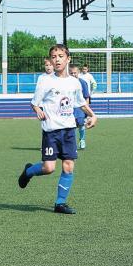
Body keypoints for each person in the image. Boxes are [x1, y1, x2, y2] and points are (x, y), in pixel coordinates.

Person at [18, 44, 97, 215]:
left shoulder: (74, 82)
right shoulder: (45, 80)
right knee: (49, 168)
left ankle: (60, 203)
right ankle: (29, 171)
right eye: (54, 57)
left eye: (61, 56)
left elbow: (80, 103)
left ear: (68, 59)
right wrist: (38, 110)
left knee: (68, 166)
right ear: (50, 60)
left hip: (69, 130)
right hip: (51, 130)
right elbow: (34, 102)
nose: (57, 59)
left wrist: (93, 115)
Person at [69, 64, 91, 149]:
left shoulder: (82, 83)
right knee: (72, 126)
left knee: (81, 124)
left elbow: (86, 97)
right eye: (71, 73)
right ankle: (73, 143)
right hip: (69, 108)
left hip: (80, 108)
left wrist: (87, 111)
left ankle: (82, 140)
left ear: (78, 72)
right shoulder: (66, 83)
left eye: (75, 73)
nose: (73, 75)